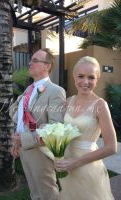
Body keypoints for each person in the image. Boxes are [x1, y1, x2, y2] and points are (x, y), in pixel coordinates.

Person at [55, 56, 117, 200]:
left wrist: (76, 162)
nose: (85, 82)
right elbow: (59, 131)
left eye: (91, 77)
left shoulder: (100, 105)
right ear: (74, 76)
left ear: (97, 79)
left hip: (88, 168)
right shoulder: (68, 101)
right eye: (81, 76)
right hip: (66, 167)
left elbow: (112, 147)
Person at [9, 48, 66, 200]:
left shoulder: (56, 91)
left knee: (47, 194)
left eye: (35, 60)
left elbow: (55, 128)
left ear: (47, 66)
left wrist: (24, 139)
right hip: (24, 149)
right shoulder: (29, 89)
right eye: (31, 60)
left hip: (40, 152)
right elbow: (17, 117)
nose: (29, 63)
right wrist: (17, 142)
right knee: (35, 193)